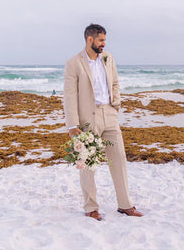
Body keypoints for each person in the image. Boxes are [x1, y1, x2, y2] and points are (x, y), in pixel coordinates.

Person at [63, 23, 143, 221]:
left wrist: (115, 105)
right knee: (88, 163)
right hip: (87, 120)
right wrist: (72, 125)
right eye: (101, 40)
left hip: (110, 115)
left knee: (119, 160)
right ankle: (91, 208)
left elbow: (115, 82)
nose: (104, 44)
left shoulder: (108, 58)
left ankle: (125, 205)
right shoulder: (73, 63)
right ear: (90, 40)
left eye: (105, 40)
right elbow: (70, 96)